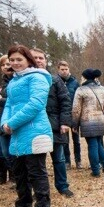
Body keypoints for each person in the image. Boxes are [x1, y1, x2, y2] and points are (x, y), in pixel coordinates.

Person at [1, 45, 54, 207]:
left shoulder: (37, 77)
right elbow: (9, 105)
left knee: (36, 172)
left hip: (35, 131)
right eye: (12, 60)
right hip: (17, 133)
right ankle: (23, 204)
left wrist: (12, 123)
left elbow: (36, 104)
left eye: (19, 59)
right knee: (19, 172)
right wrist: (4, 123)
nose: (15, 63)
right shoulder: (13, 81)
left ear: (28, 60)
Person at [31, 49, 74, 198]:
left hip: (54, 126)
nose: (38, 60)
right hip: (35, 128)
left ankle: (63, 186)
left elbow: (65, 101)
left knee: (59, 159)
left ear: (46, 61)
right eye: (35, 57)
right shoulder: (26, 80)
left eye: (41, 58)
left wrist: (65, 122)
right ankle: (40, 191)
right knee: (37, 163)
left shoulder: (55, 80)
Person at [72, 68, 104, 177]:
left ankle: (95, 170)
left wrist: (74, 124)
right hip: (100, 120)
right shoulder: (102, 89)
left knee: (92, 145)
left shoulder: (81, 90)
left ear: (84, 77)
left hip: (87, 121)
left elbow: (76, 109)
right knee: (98, 144)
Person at [57, 61, 82, 169]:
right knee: (65, 140)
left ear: (69, 69)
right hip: (62, 116)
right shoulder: (56, 82)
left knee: (76, 140)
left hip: (74, 115)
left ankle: (78, 160)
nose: (64, 71)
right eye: (62, 69)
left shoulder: (75, 82)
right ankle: (67, 161)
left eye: (66, 69)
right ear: (58, 70)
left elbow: (79, 99)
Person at [0, 55, 15, 183]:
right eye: (3, 65)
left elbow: (17, 101)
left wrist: (1, 100)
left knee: (14, 153)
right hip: (3, 120)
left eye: (8, 64)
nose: (6, 67)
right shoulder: (3, 83)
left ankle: (17, 178)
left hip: (14, 120)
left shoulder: (18, 80)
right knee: (5, 153)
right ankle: (15, 176)